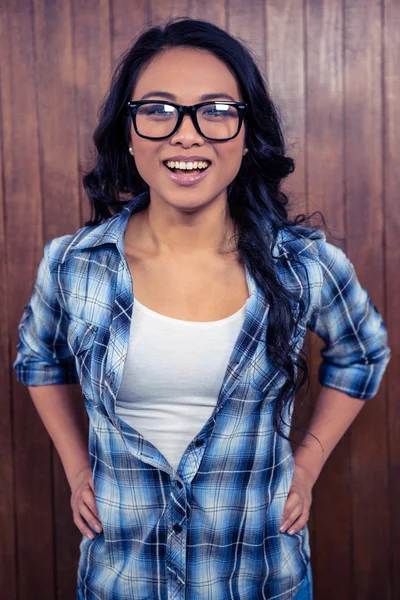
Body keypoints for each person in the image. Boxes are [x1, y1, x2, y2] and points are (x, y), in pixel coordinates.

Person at [13, 17, 390, 600]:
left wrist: (308, 465)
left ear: (247, 133)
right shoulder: (72, 265)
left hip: (263, 578)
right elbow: (38, 358)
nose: (186, 135)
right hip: (121, 580)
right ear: (129, 132)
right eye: (159, 110)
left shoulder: (304, 265)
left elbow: (364, 352)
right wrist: (75, 467)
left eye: (216, 110)